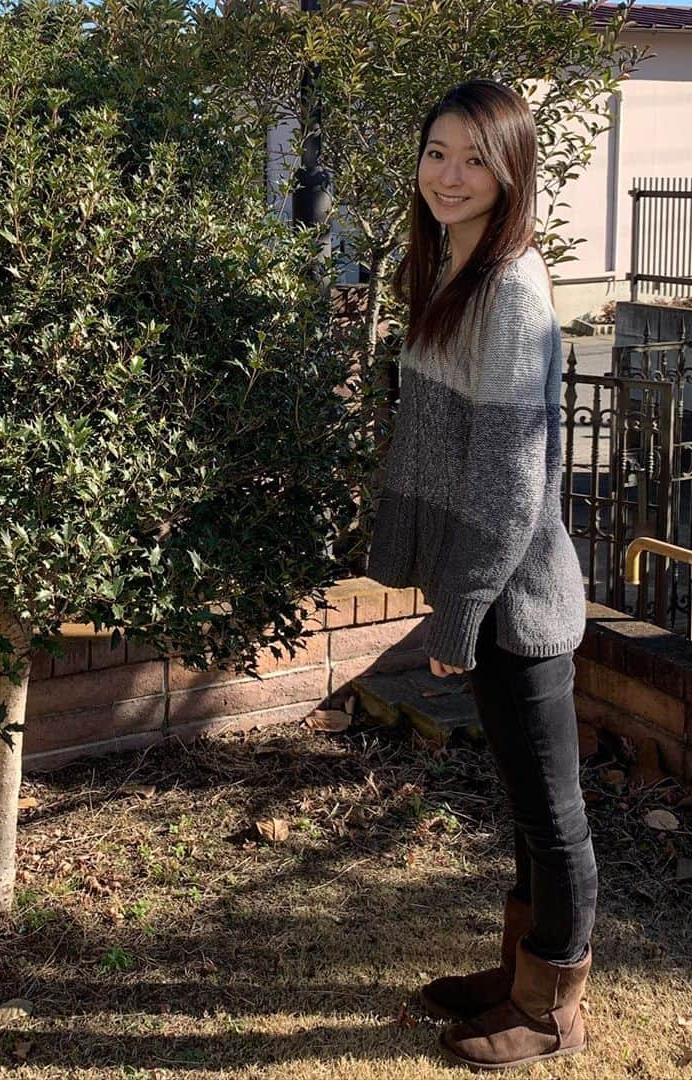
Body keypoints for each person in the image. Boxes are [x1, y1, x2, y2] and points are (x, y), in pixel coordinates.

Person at [366, 78, 596, 1071]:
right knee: (524, 802)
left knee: (554, 816)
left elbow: (509, 485)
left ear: (510, 173)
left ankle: (551, 1010)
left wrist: (457, 616)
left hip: (521, 602)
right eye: (436, 152)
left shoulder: (510, 289)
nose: (449, 175)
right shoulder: (451, 265)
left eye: (473, 158)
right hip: (490, 592)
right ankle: (519, 973)